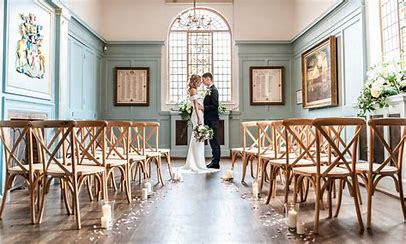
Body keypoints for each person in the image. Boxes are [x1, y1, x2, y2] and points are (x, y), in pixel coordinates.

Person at [178, 74, 219, 174]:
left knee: (200, 138)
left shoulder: (210, 90)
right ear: (196, 81)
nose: (202, 82)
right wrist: (199, 117)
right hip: (198, 116)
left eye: (203, 80)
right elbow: (196, 105)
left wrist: (203, 110)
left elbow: (211, 105)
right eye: (200, 81)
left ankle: (200, 162)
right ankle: (195, 162)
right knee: (197, 137)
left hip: (202, 115)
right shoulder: (193, 90)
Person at [201, 72, 221, 169]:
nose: (202, 82)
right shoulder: (210, 90)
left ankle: (216, 163)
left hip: (213, 120)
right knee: (212, 141)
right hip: (210, 120)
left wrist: (203, 108)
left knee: (215, 142)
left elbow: (215, 105)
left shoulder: (214, 90)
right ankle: (214, 161)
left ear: (208, 79)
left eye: (203, 80)